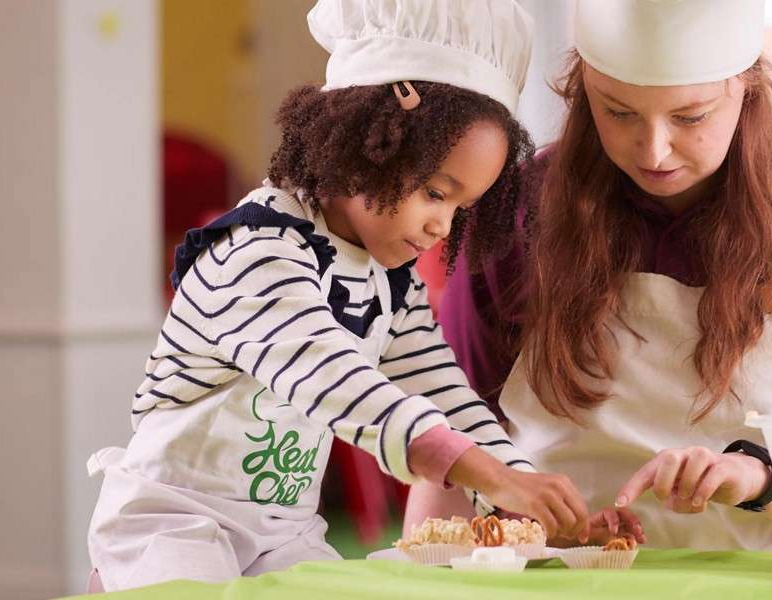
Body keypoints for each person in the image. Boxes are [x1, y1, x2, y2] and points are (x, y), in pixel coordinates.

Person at [85, 0, 592, 591]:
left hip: (283, 534)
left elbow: (446, 398)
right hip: (173, 525)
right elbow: (335, 381)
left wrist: (532, 498)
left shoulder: (390, 283)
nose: (442, 228)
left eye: (461, 208)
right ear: (366, 139)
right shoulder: (255, 251)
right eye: (434, 191)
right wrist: (486, 473)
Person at [409, 0, 772, 552]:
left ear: (747, 87)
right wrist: (420, 567)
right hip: (565, 574)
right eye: (619, 112)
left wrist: (760, 480)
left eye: (691, 117)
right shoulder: (514, 208)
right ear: (582, 89)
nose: (654, 151)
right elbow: (455, 440)